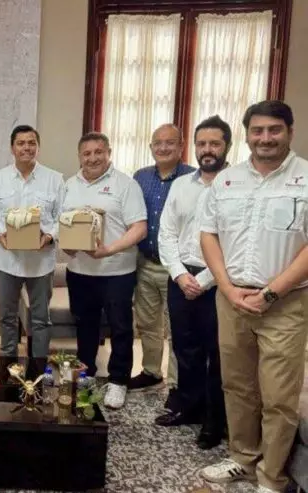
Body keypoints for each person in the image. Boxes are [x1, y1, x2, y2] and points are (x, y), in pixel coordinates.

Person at [199, 101, 308, 493]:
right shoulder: (227, 181)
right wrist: (227, 288)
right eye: (257, 130)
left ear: (289, 132)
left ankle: (272, 477)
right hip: (231, 300)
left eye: (274, 130)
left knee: (278, 395)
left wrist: (271, 293)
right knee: (237, 386)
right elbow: (208, 234)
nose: (265, 138)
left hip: (285, 303)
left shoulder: (305, 178)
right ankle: (243, 458)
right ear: (246, 135)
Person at [156, 116, 230, 450]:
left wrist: (203, 280)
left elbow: (235, 243)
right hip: (180, 276)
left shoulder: (235, 185)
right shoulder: (182, 184)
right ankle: (188, 407)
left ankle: (214, 421)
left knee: (216, 352)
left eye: (214, 143)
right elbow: (167, 232)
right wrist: (179, 274)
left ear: (227, 146)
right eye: (202, 144)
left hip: (219, 280)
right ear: (195, 147)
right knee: (184, 347)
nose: (207, 149)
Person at [63, 132, 147, 410]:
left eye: (98, 152)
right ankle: (86, 374)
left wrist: (109, 250)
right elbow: (63, 225)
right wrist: (68, 246)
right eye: (86, 153)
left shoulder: (126, 184)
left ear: (108, 153)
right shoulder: (69, 186)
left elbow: (139, 228)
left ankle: (118, 381)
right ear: (79, 156)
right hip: (80, 271)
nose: (93, 158)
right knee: (85, 326)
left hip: (117, 272)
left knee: (120, 328)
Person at [0, 125, 63, 372]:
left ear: (38, 147)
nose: (26, 147)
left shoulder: (54, 179)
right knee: (7, 317)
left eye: (31, 143)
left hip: (41, 262)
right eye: (21, 143)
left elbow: (62, 218)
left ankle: (38, 369)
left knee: (40, 319)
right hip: (7, 260)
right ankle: (8, 366)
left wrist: (48, 236)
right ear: (12, 148)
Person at [130, 125, 194, 408]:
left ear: (181, 145)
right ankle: (151, 371)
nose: (163, 148)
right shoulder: (141, 177)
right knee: (148, 323)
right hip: (145, 262)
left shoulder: (193, 178)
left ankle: (177, 384)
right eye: (158, 143)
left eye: (170, 143)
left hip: (178, 268)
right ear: (151, 147)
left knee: (178, 327)